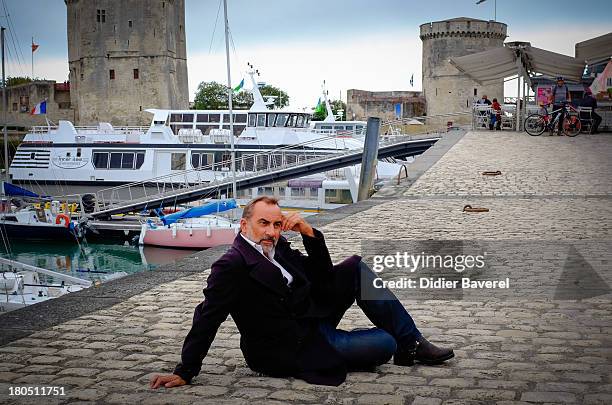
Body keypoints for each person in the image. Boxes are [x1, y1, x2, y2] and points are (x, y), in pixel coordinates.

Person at [150, 196, 454, 389]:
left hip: (310, 316)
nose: (271, 231)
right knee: (384, 343)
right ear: (244, 225)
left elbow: (321, 277)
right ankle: (385, 340)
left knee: (356, 268)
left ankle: (412, 342)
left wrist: (310, 235)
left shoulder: (278, 246)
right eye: (263, 224)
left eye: (276, 224)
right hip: (288, 345)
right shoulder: (232, 264)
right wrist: (186, 370)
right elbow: (207, 316)